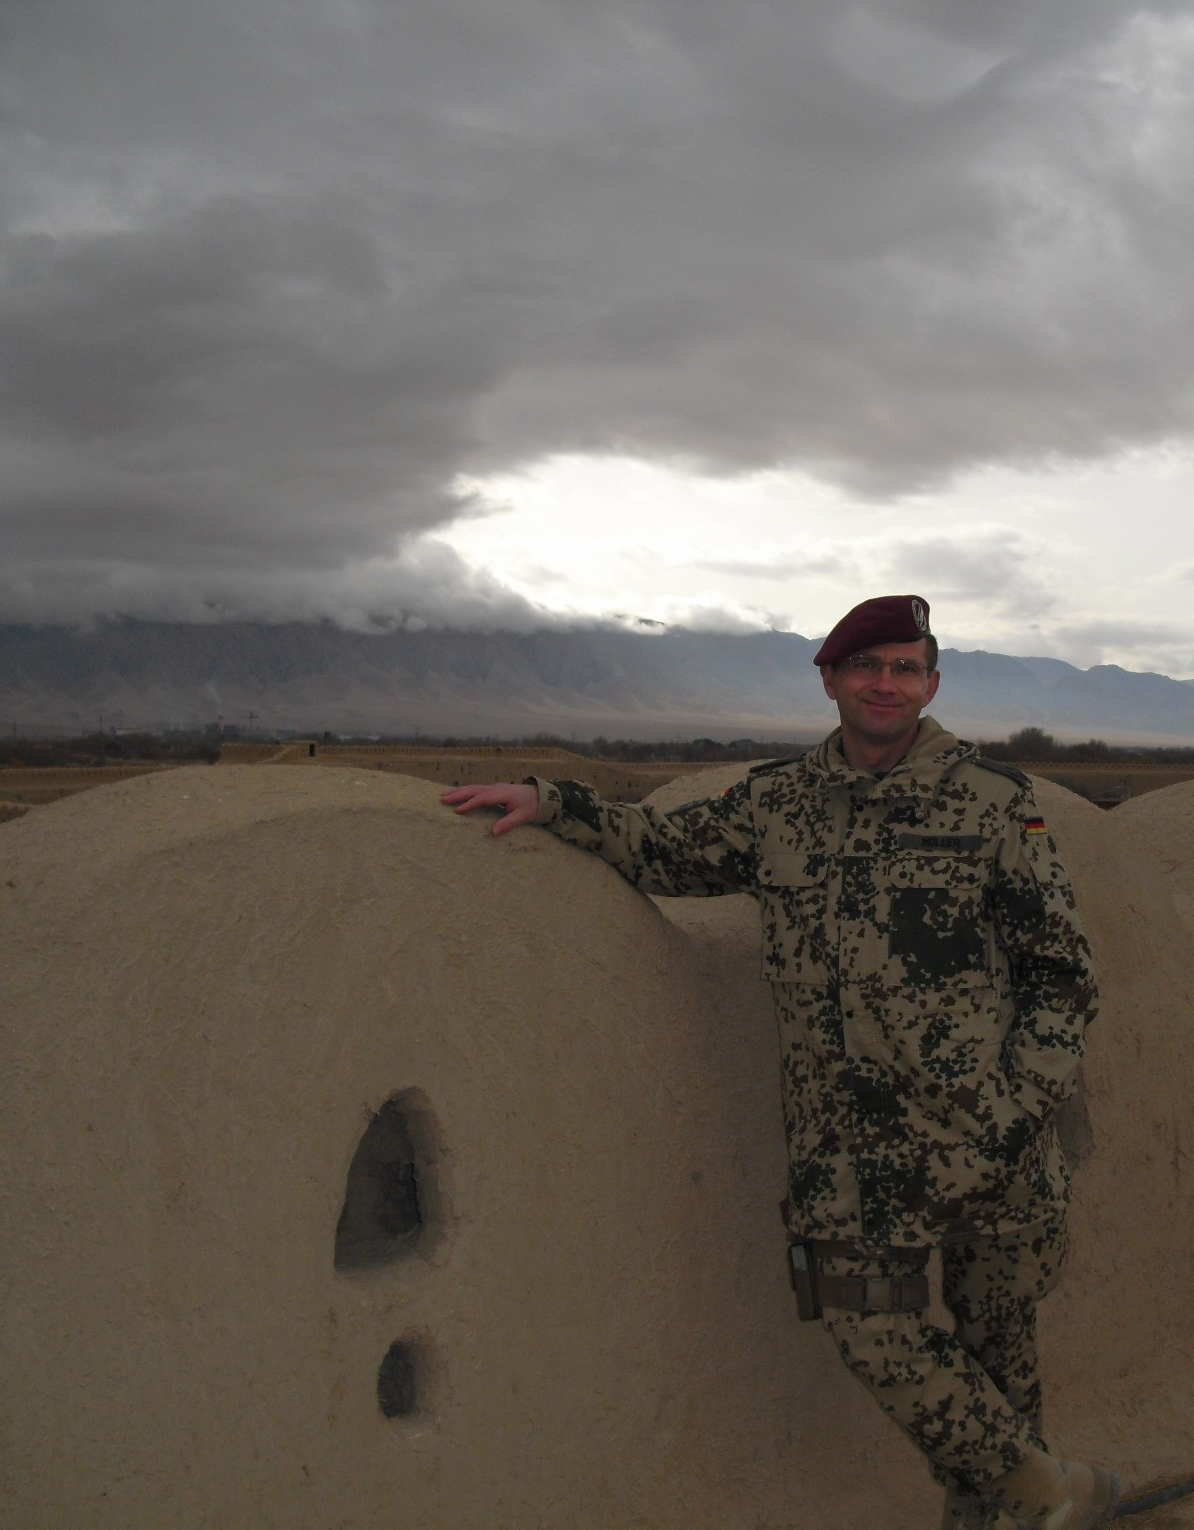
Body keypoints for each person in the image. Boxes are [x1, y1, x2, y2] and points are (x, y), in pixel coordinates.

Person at [441, 595, 1118, 1530]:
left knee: (999, 1348)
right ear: (832, 678)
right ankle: (1048, 1490)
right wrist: (552, 803)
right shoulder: (776, 805)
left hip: (986, 1143)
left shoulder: (995, 803)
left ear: (932, 683)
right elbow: (660, 849)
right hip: (852, 1152)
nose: (886, 683)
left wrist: (1015, 1110)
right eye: (866, 666)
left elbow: (1062, 972)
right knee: (869, 1325)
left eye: (905, 667)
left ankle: (1011, 1511)